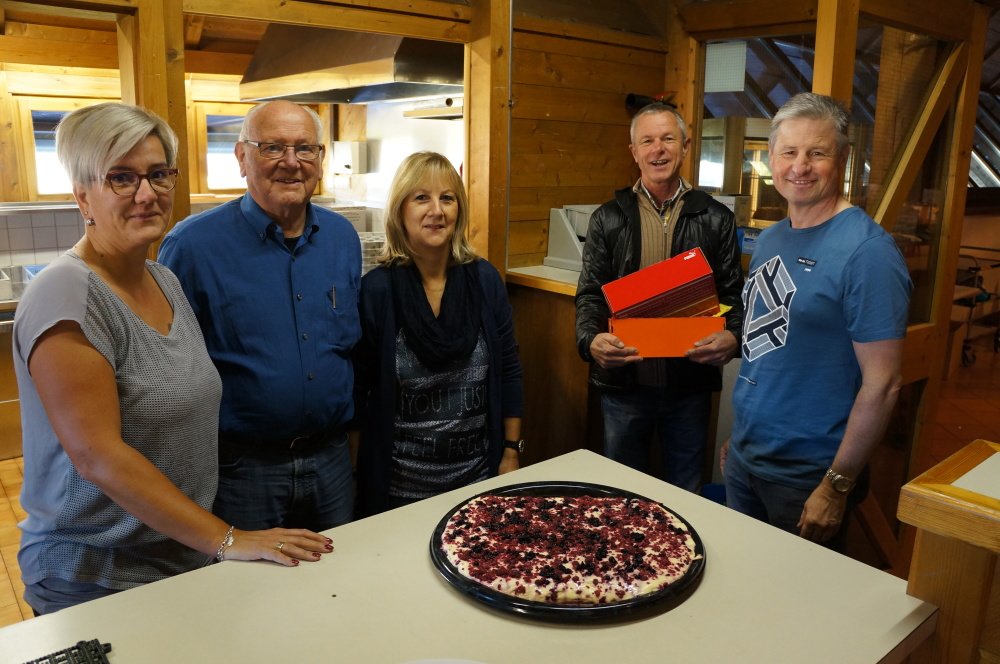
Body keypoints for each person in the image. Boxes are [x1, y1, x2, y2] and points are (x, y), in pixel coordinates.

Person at [14, 103, 332, 615]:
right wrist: (228, 538)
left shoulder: (162, 280)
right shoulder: (68, 292)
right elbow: (98, 456)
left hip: (176, 557)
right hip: (98, 572)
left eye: (158, 174)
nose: (147, 194)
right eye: (121, 178)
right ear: (83, 196)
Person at [158, 100, 361, 532]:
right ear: (241, 157)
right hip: (243, 470)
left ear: (320, 158)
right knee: (249, 576)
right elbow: (169, 370)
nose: (291, 162)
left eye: (304, 148)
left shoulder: (342, 238)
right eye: (272, 147)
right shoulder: (192, 247)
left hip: (331, 461)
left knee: (342, 569)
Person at [722, 92, 912, 549]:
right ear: (771, 158)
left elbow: (883, 385)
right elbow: (771, 348)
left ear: (842, 160)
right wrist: (740, 442)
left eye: (817, 153)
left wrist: (836, 485)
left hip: (808, 478)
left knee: (794, 595)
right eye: (788, 152)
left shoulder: (869, 253)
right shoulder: (771, 239)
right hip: (746, 460)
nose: (800, 166)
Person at [575, 102, 744, 493]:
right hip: (624, 385)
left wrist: (733, 336)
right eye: (647, 141)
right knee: (620, 493)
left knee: (685, 492)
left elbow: (732, 294)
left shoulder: (716, 218)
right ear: (634, 151)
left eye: (668, 139)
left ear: (685, 146)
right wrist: (590, 340)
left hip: (690, 386)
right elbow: (590, 295)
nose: (658, 149)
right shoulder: (607, 218)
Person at [352, 151, 524, 516]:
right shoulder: (377, 290)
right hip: (399, 492)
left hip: (477, 483)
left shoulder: (485, 280)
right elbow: (359, 391)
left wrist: (511, 451)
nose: (437, 210)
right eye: (421, 198)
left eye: (447, 198)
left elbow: (509, 369)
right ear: (400, 209)